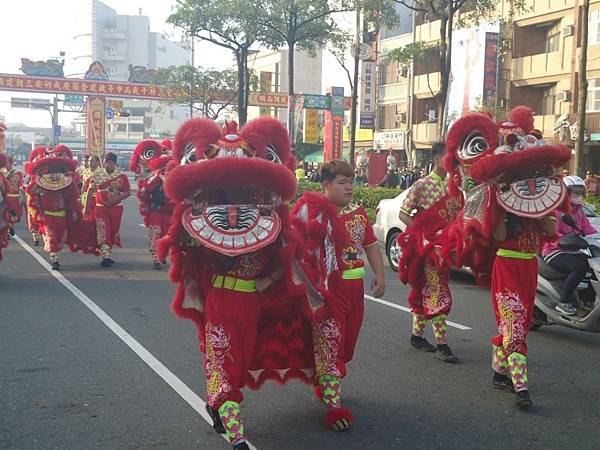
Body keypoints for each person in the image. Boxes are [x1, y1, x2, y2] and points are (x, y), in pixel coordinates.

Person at [292, 159, 385, 431]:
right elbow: (295, 251)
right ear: (326, 185)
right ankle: (333, 404)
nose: (349, 188)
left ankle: (325, 380)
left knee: (346, 346)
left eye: (351, 182)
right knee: (331, 342)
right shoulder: (311, 212)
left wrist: (379, 275)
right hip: (328, 291)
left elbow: (370, 246)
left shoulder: (358, 214)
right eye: (342, 183)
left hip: (355, 290)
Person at [399, 142, 458, 363]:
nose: (451, 163)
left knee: (428, 288)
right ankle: (442, 344)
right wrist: (422, 233)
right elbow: (404, 213)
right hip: (428, 249)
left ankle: (417, 336)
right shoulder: (422, 185)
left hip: (447, 247)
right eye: (447, 158)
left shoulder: (455, 187)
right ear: (436, 158)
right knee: (437, 290)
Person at [491, 211, 557, 408]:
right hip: (506, 266)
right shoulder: (500, 199)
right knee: (514, 322)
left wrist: (537, 210)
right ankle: (521, 386)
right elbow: (500, 236)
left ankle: (499, 374)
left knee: (519, 323)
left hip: (529, 266)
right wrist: (501, 211)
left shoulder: (543, 200)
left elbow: (551, 230)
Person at [542, 176, 597, 315]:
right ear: (565, 193)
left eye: (580, 192)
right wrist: (568, 239)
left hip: (573, 250)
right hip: (554, 250)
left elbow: (589, 230)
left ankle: (588, 301)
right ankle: (564, 301)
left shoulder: (579, 210)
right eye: (575, 192)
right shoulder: (558, 211)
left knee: (594, 266)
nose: (578, 196)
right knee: (580, 267)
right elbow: (553, 234)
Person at [25, 145, 82, 270]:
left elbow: (72, 196)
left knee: (61, 238)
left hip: (62, 215)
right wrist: (38, 178)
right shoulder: (40, 181)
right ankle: (54, 258)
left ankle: (55, 253)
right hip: (47, 216)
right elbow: (32, 192)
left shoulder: (66, 182)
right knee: (51, 238)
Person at [93, 152, 131, 267]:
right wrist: (86, 206)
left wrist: (115, 200)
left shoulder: (121, 176)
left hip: (116, 209)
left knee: (113, 231)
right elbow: (90, 189)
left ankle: (108, 253)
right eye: (105, 162)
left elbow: (128, 192)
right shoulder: (97, 174)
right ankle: (106, 256)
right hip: (101, 208)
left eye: (109, 163)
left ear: (114, 164)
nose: (106, 165)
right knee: (104, 230)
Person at [1, 155, 24, 237]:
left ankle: (11, 226)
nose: (7, 165)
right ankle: (7, 231)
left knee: (14, 215)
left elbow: (20, 184)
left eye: (9, 163)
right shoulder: (1, 173)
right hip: (6, 197)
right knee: (5, 214)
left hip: (15, 197)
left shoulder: (18, 173)